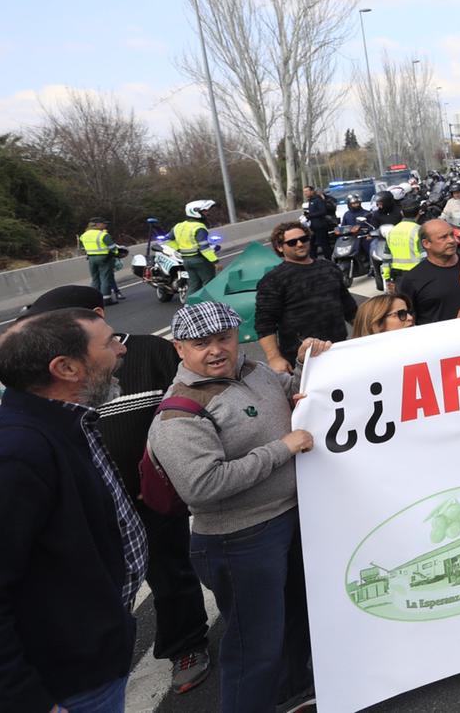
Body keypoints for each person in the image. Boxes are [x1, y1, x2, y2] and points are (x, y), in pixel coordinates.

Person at [19, 287, 212, 695]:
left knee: (171, 573)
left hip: (153, 498)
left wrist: (166, 474)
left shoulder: (150, 352)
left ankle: (186, 644)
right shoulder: (47, 382)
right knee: (98, 586)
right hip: (91, 509)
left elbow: (186, 406)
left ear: (96, 315)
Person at [146, 302, 319, 713]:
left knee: (296, 620)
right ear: (179, 349)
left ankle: (294, 696)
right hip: (239, 538)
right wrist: (281, 449)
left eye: (223, 338)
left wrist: (311, 361)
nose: (216, 350)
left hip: (291, 518)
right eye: (200, 343)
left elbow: (298, 390)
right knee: (254, 645)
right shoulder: (179, 411)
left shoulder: (255, 371)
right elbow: (203, 486)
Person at [0, 308, 145, 713]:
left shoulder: (66, 422)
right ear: (65, 367)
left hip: (95, 652)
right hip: (67, 685)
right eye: (110, 342)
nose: (121, 350)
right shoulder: (18, 453)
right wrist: (28, 701)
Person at [256, 221, 356, 375]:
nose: (299, 244)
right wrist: (274, 358)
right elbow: (264, 324)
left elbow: (350, 310)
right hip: (302, 360)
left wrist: (373, 331)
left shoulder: (329, 268)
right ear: (280, 247)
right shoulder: (273, 280)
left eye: (303, 239)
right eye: (292, 242)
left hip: (338, 351)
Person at [397, 219, 460, 324]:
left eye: (452, 235)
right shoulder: (412, 279)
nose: (452, 240)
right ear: (426, 243)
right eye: (443, 237)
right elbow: (405, 319)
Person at [171, 199, 221, 290]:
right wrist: (215, 262)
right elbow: (204, 248)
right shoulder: (199, 227)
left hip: (186, 261)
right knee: (210, 285)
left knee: (194, 286)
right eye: (205, 211)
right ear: (195, 212)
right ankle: (210, 303)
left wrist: (179, 249)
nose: (208, 213)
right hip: (200, 261)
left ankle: (189, 304)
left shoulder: (178, 226)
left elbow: (168, 240)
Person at [384, 199, 424, 292]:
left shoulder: (392, 231)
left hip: (398, 278)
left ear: (402, 213)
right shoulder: (419, 230)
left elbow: (386, 258)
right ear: (419, 212)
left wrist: (387, 278)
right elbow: (424, 256)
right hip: (417, 276)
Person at [80, 215, 120, 305]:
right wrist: (117, 254)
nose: (105, 225)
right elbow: (113, 248)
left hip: (91, 258)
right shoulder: (103, 235)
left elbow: (83, 248)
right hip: (104, 258)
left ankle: (94, 299)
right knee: (105, 278)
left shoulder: (83, 235)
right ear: (97, 224)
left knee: (95, 278)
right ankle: (106, 299)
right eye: (103, 223)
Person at [301, 185, 336, 260]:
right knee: (311, 244)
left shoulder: (317, 200)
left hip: (320, 225)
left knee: (324, 244)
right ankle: (312, 260)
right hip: (313, 226)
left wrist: (310, 215)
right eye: (304, 192)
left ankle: (329, 260)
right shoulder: (311, 200)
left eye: (307, 191)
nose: (305, 193)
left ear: (312, 191)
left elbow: (322, 211)